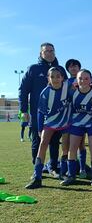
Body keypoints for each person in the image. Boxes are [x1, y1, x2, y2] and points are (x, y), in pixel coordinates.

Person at [19, 42, 67, 175]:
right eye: (47, 51)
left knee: (54, 141)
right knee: (37, 139)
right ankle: (37, 167)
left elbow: (67, 89)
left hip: (57, 115)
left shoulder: (61, 70)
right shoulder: (33, 69)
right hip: (37, 113)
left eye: (52, 51)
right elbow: (23, 90)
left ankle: (53, 166)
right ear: (41, 53)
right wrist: (24, 110)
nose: (50, 53)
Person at [25, 67, 72, 189]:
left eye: (58, 76)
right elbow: (40, 112)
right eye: (52, 77)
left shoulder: (68, 86)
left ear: (62, 77)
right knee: (43, 144)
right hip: (50, 123)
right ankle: (37, 176)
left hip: (66, 123)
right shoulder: (45, 93)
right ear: (48, 78)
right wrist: (40, 129)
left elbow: (82, 84)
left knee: (65, 147)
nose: (55, 79)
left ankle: (63, 173)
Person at [61, 69, 92, 187]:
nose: (83, 81)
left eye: (86, 78)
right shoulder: (72, 92)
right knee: (72, 148)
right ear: (76, 80)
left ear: (90, 80)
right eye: (80, 78)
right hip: (77, 124)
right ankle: (71, 176)